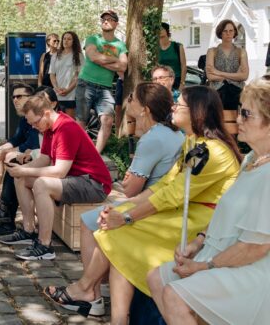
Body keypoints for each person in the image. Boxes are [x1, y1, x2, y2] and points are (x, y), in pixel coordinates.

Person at [45, 86, 241, 322]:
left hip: (202, 223)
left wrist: (128, 216)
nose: (173, 106)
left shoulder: (214, 151)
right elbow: (164, 186)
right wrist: (123, 208)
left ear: (197, 112)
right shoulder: (193, 142)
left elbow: (174, 195)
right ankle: (114, 314)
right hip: (182, 212)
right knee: (117, 238)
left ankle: (88, 290)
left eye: (180, 104)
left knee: (115, 235)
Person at [148, 78, 270, 325]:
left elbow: (256, 247)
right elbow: (226, 213)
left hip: (252, 272)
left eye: (246, 114)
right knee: (157, 278)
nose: (238, 120)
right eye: (239, 112)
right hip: (220, 256)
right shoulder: (250, 161)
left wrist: (203, 268)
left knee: (174, 295)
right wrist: (198, 242)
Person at [76, 83, 183, 305]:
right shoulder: (174, 133)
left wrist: (124, 181)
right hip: (159, 200)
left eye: (132, 97)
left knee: (88, 222)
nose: (128, 101)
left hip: (148, 204)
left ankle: (92, 294)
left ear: (145, 109)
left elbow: (130, 189)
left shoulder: (152, 138)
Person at [3, 93, 112, 261]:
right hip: (77, 179)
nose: (33, 127)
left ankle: (44, 245)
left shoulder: (66, 128)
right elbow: (44, 160)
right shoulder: (48, 127)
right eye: (30, 123)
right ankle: (28, 230)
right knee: (22, 178)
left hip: (94, 184)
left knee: (41, 184)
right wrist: (20, 169)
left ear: (46, 113)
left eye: (35, 122)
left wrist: (25, 170)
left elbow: (59, 171)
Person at [0, 84, 40, 235]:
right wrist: (2, 149)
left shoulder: (36, 115)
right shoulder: (24, 118)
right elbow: (16, 138)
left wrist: (7, 151)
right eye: (13, 97)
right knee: (3, 154)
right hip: (36, 156)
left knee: (12, 159)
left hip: (40, 157)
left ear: (31, 98)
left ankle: (5, 213)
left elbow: (33, 144)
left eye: (19, 96)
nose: (15, 100)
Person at [76, 10, 128, 154]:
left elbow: (123, 66)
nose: (105, 21)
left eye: (110, 19)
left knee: (107, 121)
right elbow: (93, 56)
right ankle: (76, 153)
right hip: (86, 83)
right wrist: (115, 59)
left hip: (105, 88)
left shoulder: (120, 45)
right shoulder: (93, 38)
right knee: (81, 122)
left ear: (116, 24)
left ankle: (95, 155)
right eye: (103, 19)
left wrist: (102, 60)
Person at [205, 19, 248, 110]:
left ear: (234, 32)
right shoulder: (212, 51)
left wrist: (218, 72)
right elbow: (210, 76)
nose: (228, 33)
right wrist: (235, 77)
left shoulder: (241, 52)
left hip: (237, 92)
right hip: (217, 92)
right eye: (225, 31)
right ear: (220, 33)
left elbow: (244, 76)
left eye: (231, 30)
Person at [49, 31, 83, 118]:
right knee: (56, 121)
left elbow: (78, 76)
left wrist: (68, 90)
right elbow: (52, 74)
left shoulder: (78, 56)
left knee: (69, 122)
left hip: (71, 94)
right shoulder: (55, 55)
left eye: (69, 39)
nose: (66, 41)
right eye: (64, 38)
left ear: (73, 41)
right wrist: (56, 88)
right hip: (57, 93)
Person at [158, 23, 186, 90]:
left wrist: (182, 83)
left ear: (167, 33)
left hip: (176, 81)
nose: (159, 31)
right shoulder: (155, 49)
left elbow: (184, 66)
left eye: (161, 29)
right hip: (161, 81)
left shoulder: (178, 46)